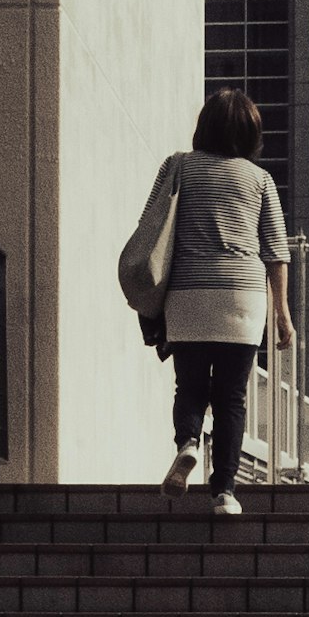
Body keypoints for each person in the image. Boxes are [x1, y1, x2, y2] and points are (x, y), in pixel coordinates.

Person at [120, 87, 293, 512]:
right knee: (232, 397)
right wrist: (283, 315)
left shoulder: (178, 166)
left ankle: (188, 441)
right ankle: (225, 493)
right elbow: (275, 251)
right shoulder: (260, 180)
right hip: (242, 300)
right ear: (250, 133)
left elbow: (152, 223)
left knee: (191, 386)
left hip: (189, 295)